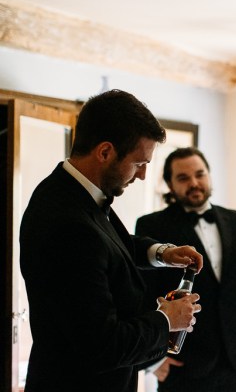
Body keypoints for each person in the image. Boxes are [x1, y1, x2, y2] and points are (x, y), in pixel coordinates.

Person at [19, 90, 203, 392]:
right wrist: (166, 320)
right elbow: (102, 345)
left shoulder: (70, 193)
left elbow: (110, 246)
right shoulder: (68, 224)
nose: (142, 176)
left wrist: (163, 253)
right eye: (139, 163)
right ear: (105, 152)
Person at [136, 147, 236, 392]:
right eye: (183, 178)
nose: (194, 183)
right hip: (181, 365)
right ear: (170, 184)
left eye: (200, 174)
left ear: (209, 175)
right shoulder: (150, 226)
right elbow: (142, 295)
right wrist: (154, 360)